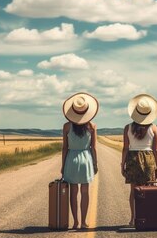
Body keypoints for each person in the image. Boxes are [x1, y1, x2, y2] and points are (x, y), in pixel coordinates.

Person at [120, 93, 157, 227]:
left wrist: (122, 164)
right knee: (147, 190)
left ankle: (133, 219)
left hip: (132, 158)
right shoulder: (154, 127)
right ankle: (147, 218)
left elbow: (125, 148)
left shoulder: (127, 128)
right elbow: (156, 150)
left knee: (134, 191)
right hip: (149, 158)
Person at [61, 92, 99, 229]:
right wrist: (95, 163)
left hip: (71, 159)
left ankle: (75, 222)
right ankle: (84, 222)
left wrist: (62, 165)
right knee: (85, 192)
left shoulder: (66, 126)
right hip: (86, 159)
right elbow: (94, 147)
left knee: (73, 192)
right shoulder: (92, 126)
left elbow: (64, 148)